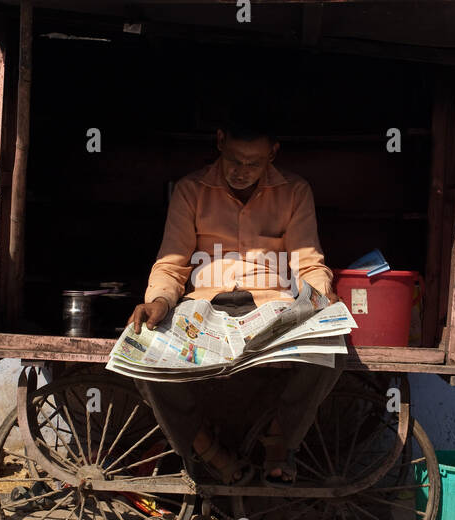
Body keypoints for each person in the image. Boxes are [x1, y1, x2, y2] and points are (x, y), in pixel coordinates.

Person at [126, 116, 343, 485]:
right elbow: (172, 262)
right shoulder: (190, 189)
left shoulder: (294, 190)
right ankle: (206, 448)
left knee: (331, 350)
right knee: (140, 351)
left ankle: (280, 440)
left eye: (254, 163)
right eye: (235, 162)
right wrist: (159, 301)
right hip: (204, 305)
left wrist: (321, 297)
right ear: (220, 142)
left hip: (270, 305)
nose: (242, 172)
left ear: (273, 153)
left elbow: (308, 262)